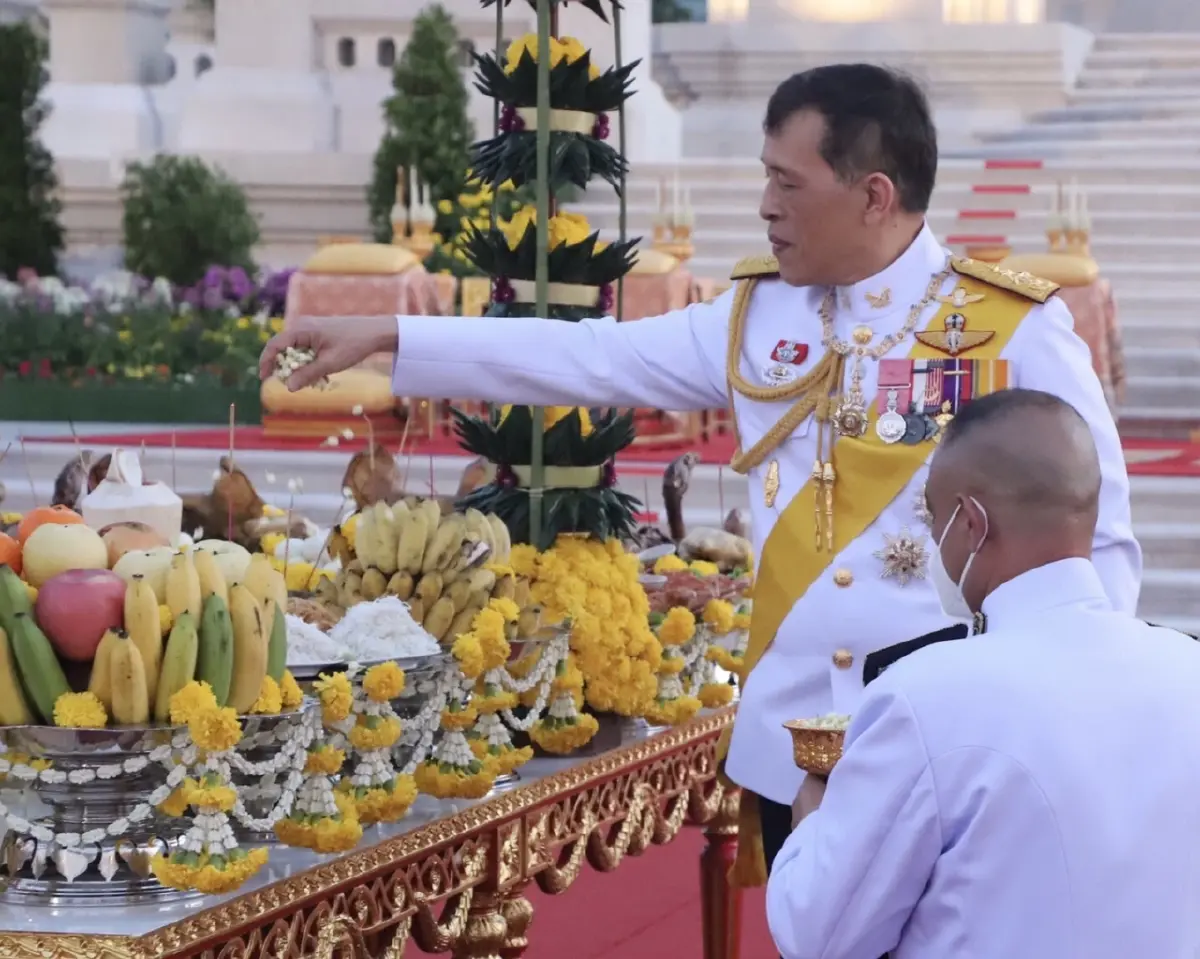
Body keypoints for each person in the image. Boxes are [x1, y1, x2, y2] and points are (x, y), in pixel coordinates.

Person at [260, 63, 1141, 883]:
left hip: (961, 741)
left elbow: (1101, 545)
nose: (765, 206)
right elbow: (588, 357)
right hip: (801, 745)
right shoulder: (756, 314)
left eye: (788, 184)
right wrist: (397, 337)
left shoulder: (1010, 329)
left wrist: (1067, 731)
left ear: (875, 195)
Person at [766, 388, 1200, 959]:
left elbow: (818, 934)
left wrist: (812, 825)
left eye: (934, 517)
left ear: (971, 522)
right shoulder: (1186, 667)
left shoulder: (923, 696)